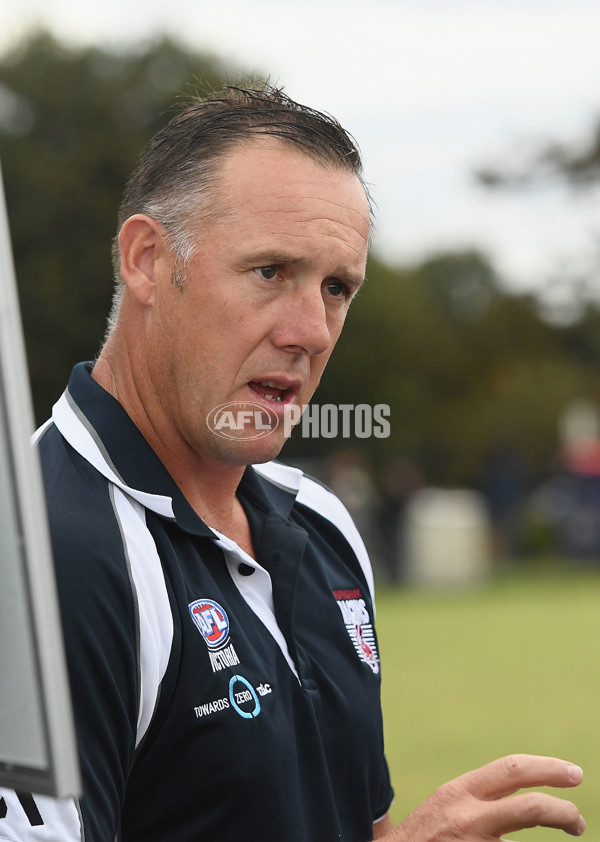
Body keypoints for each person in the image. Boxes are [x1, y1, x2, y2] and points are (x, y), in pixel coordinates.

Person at [0, 84, 585, 842]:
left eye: (338, 287)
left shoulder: (322, 524)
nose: (311, 329)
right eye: (271, 271)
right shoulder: (43, 559)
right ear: (146, 260)